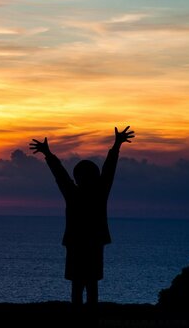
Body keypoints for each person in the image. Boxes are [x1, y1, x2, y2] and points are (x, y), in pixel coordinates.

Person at [29, 126, 134, 306]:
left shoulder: (80, 193)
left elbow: (63, 175)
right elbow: (64, 174)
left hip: (81, 244)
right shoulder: (92, 193)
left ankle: (81, 319)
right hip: (85, 244)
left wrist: (48, 154)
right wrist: (116, 145)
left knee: (82, 287)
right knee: (86, 287)